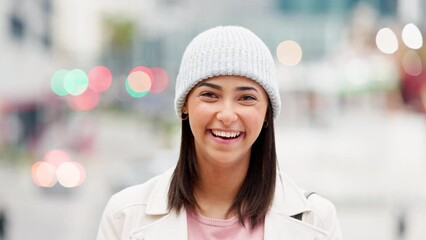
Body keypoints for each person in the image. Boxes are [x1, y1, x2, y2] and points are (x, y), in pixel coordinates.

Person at [96, 26, 342, 240]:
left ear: (267, 111)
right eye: (210, 95)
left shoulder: (316, 220)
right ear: (184, 104)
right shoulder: (125, 215)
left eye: (246, 98)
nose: (227, 115)